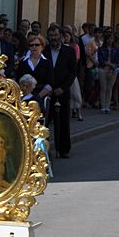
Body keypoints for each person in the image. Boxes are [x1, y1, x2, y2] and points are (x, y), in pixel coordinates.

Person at [43, 25, 77, 158]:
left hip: (62, 91)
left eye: (56, 35)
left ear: (61, 36)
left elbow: (73, 72)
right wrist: (47, 88)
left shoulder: (69, 51)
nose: (54, 38)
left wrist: (63, 88)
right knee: (45, 121)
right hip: (47, 91)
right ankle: (43, 149)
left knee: (63, 121)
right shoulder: (44, 51)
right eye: (51, 36)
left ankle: (64, 149)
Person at [16, 34, 52, 114]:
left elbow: (50, 83)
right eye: (31, 45)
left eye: (37, 45)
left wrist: (38, 97)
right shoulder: (23, 62)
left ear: (42, 47)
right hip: (24, 95)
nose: (34, 47)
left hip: (41, 95)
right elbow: (18, 79)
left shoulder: (47, 62)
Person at [97, 29, 119, 114]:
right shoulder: (101, 49)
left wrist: (112, 67)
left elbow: (117, 61)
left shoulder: (116, 49)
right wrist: (108, 64)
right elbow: (100, 60)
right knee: (103, 88)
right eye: (108, 39)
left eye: (111, 39)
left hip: (113, 70)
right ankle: (103, 106)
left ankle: (107, 106)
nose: (110, 40)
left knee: (110, 88)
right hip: (103, 69)